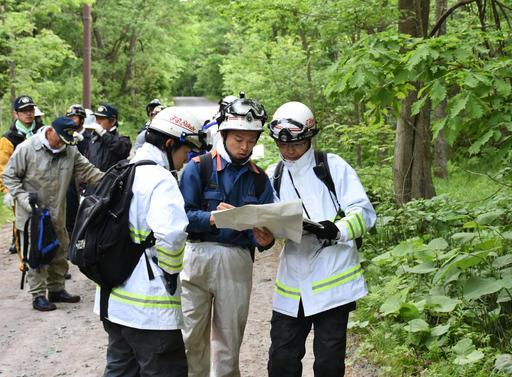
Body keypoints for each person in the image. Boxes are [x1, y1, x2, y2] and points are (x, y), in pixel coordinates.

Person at [265, 102, 377, 377]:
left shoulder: (333, 166)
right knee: (281, 358)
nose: (288, 150)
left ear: (309, 138)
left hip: (333, 280)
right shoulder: (273, 174)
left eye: (296, 143)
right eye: (282, 143)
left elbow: (364, 213)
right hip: (292, 281)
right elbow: (270, 219)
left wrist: (336, 229)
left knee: (328, 362)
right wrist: (266, 233)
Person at [95, 107, 207, 377]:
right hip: (149, 310)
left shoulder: (123, 169)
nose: (186, 160)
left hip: (113, 303)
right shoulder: (160, 178)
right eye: (185, 151)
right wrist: (170, 274)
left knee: (120, 371)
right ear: (169, 144)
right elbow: (171, 235)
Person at [179, 93, 275, 377]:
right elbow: (181, 218)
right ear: (223, 134)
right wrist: (213, 217)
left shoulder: (260, 179)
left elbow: (268, 230)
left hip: (237, 261)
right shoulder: (198, 167)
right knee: (189, 338)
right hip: (196, 257)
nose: (245, 147)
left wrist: (266, 240)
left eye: (251, 140)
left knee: (228, 343)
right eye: (239, 140)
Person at [2, 116, 104, 311]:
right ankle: (38, 295)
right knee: (37, 254)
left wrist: (113, 179)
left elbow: (89, 172)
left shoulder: (70, 150)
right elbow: (9, 176)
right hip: (33, 216)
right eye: (60, 139)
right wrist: (24, 200)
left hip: (57, 213)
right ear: (50, 131)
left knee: (59, 251)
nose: (62, 145)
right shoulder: (27, 149)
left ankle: (56, 290)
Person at [0, 95, 43, 254]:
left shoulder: (43, 132)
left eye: (30, 110)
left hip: (44, 186)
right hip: (20, 189)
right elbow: (2, 167)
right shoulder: (8, 139)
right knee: (23, 227)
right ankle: (25, 263)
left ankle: (48, 264)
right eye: (23, 111)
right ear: (16, 114)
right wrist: (8, 191)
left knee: (48, 225)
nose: (28, 114)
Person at [65, 104, 93, 236]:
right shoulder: (64, 137)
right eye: (69, 117)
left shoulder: (90, 138)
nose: (72, 120)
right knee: (68, 210)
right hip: (68, 179)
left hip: (84, 178)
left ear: (82, 119)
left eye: (74, 117)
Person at [85, 103, 131, 172]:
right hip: (92, 181)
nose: (97, 122)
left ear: (112, 122)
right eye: (96, 118)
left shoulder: (123, 140)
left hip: (111, 181)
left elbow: (122, 150)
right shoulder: (93, 140)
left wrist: (103, 133)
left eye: (101, 119)